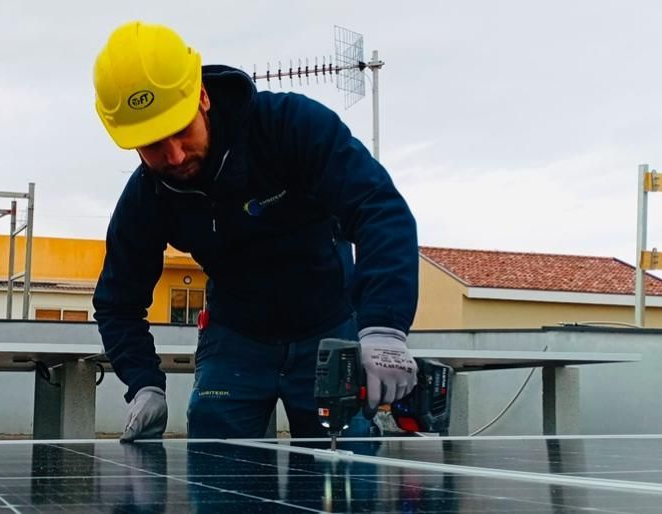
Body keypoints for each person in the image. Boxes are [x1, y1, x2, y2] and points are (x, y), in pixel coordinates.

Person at [91, 20, 420, 442]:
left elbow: (379, 209)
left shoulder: (289, 126)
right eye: (152, 144)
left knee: (343, 469)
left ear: (202, 97)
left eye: (181, 131)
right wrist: (143, 384)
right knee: (219, 467)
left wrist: (384, 325)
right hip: (235, 338)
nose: (174, 156)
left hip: (329, 329)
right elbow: (118, 302)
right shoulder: (147, 196)